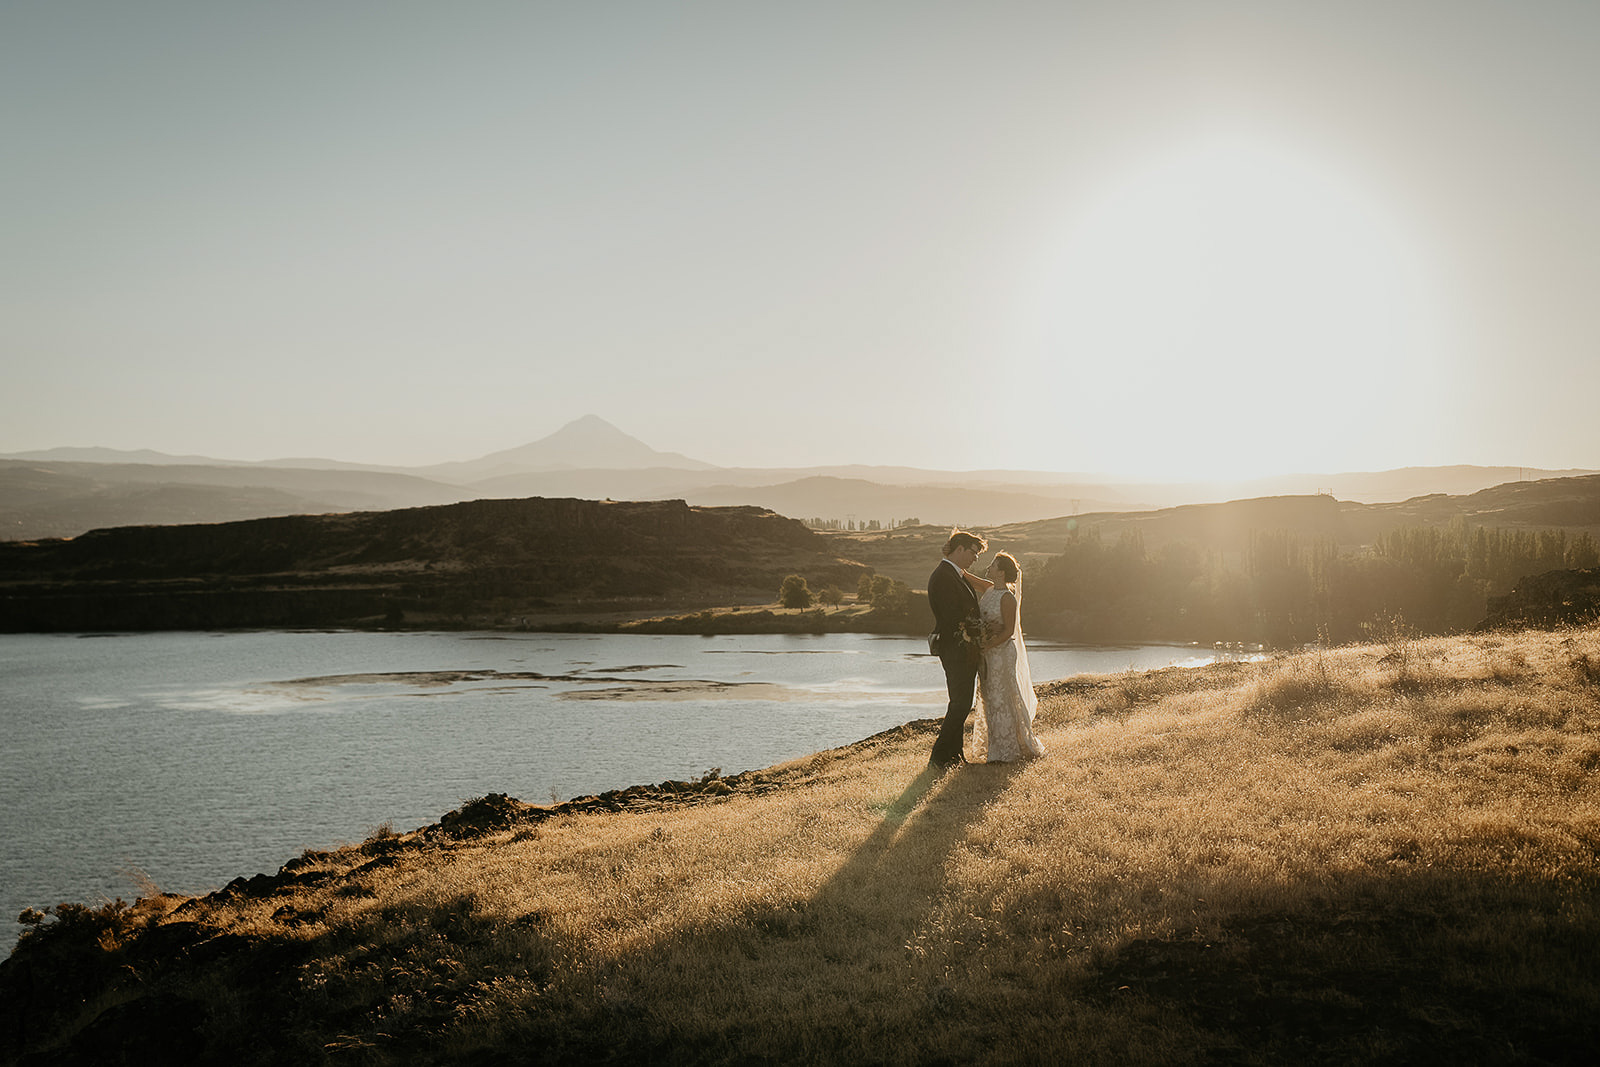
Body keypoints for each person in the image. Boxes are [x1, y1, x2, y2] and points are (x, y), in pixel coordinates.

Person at [968, 551, 1046, 763]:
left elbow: (1008, 632)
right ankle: (995, 747)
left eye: (993, 565)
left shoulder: (1007, 598)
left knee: (1003, 697)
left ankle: (1009, 749)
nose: (988, 567)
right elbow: (965, 576)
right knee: (989, 698)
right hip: (988, 654)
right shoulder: (989, 588)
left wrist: (986, 645)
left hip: (1001, 654)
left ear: (1001, 572)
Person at [927, 529, 989, 769]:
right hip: (956, 648)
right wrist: (976, 629)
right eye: (974, 553)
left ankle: (953, 756)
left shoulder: (955, 574)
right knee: (960, 704)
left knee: (960, 702)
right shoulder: (943, 576)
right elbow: (953, 615)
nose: (976, 559)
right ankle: (939, 756)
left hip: (962, 647)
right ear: (960, 548)